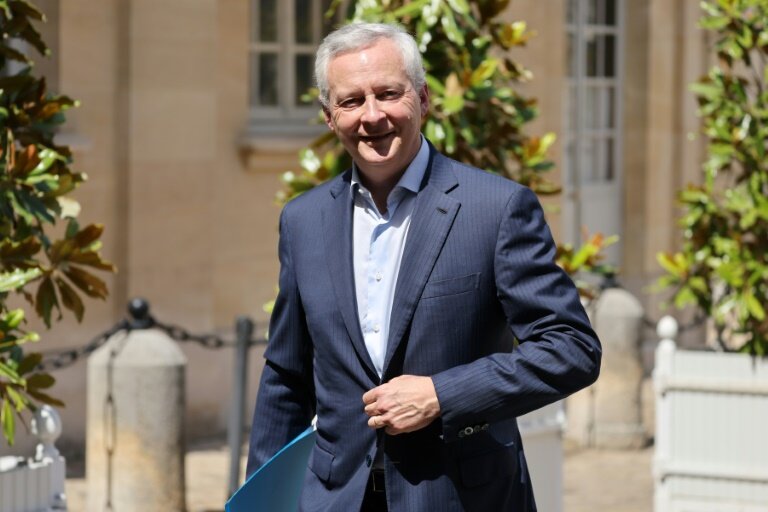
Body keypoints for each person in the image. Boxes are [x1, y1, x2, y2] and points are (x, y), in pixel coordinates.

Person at [247, 22, 601, 512]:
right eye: (351, 101)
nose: (372, 116)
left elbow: (572, 348)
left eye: (389, 93)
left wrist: (442, 394)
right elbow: (286, 376)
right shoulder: (303, 221)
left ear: (423, 98)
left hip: (459, 496)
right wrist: (261, 502)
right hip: (334, 500)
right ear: (329, 117)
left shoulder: (495, 208)